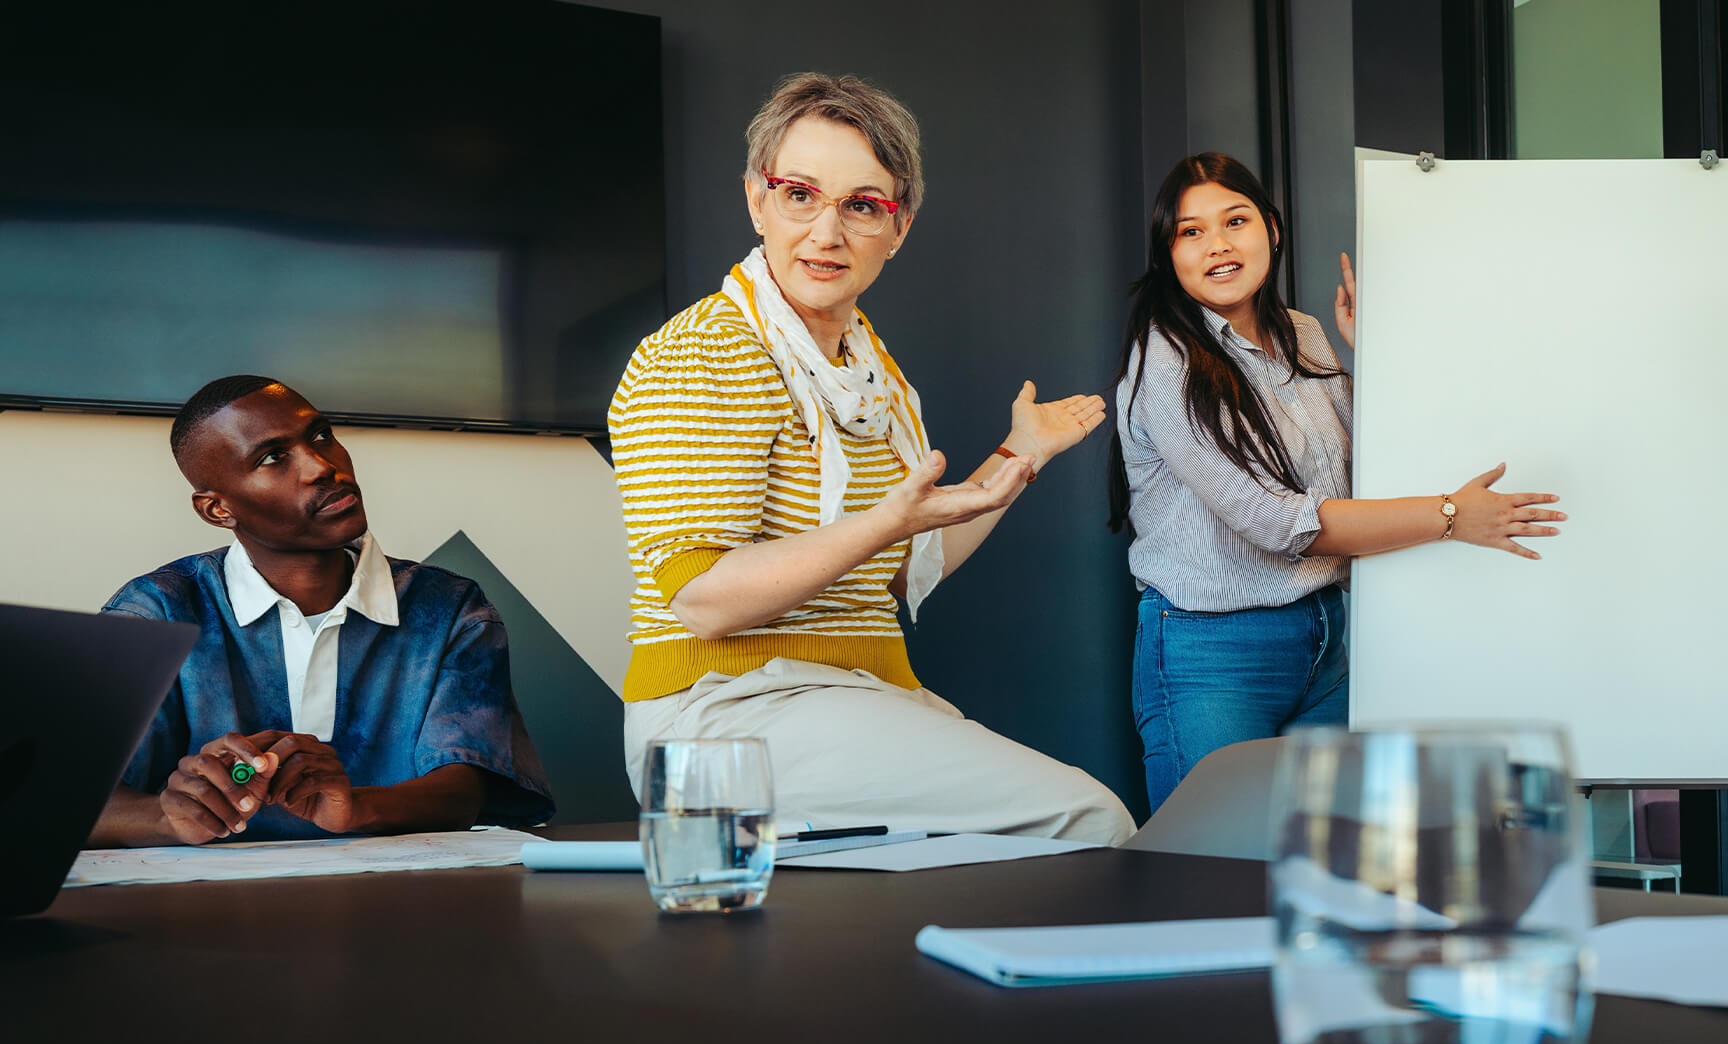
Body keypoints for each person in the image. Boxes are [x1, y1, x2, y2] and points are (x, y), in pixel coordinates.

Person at [609, 73, 1133, 844]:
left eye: (861, 205)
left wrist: (1017, 457)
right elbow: (703, 600)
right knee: (1088, 818)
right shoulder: (706, 351)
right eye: (800, 194)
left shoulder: (871, 373)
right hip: (722, 717)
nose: (827, 232)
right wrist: (885, 519)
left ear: (900, 226)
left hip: (848, 692)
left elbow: (902, 563)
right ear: (757, 200)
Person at [1110, 153, 1565, 813]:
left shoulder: (1305, 333)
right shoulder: (1166, 360)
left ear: (1270, 227)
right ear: (1169, 253)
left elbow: (1361, 473)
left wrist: (1372, 352)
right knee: (1215, 875)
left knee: (1331, 869)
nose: (1217, 245)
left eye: (1235, 220)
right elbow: (1277, 522)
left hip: (1323, 640)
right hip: (1211, 654)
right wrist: (1450, 516)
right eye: (1191, 231)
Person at [88, 375, 554, 846]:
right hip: (203, 911)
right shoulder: (155, 614)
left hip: (401, 902)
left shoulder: (450, 609)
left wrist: (354, 807)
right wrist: (166, 818)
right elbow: (68, 802)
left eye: (321, 435)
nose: (321, 465)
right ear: (217, 509)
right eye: (273, 457)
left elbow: (465, 791)